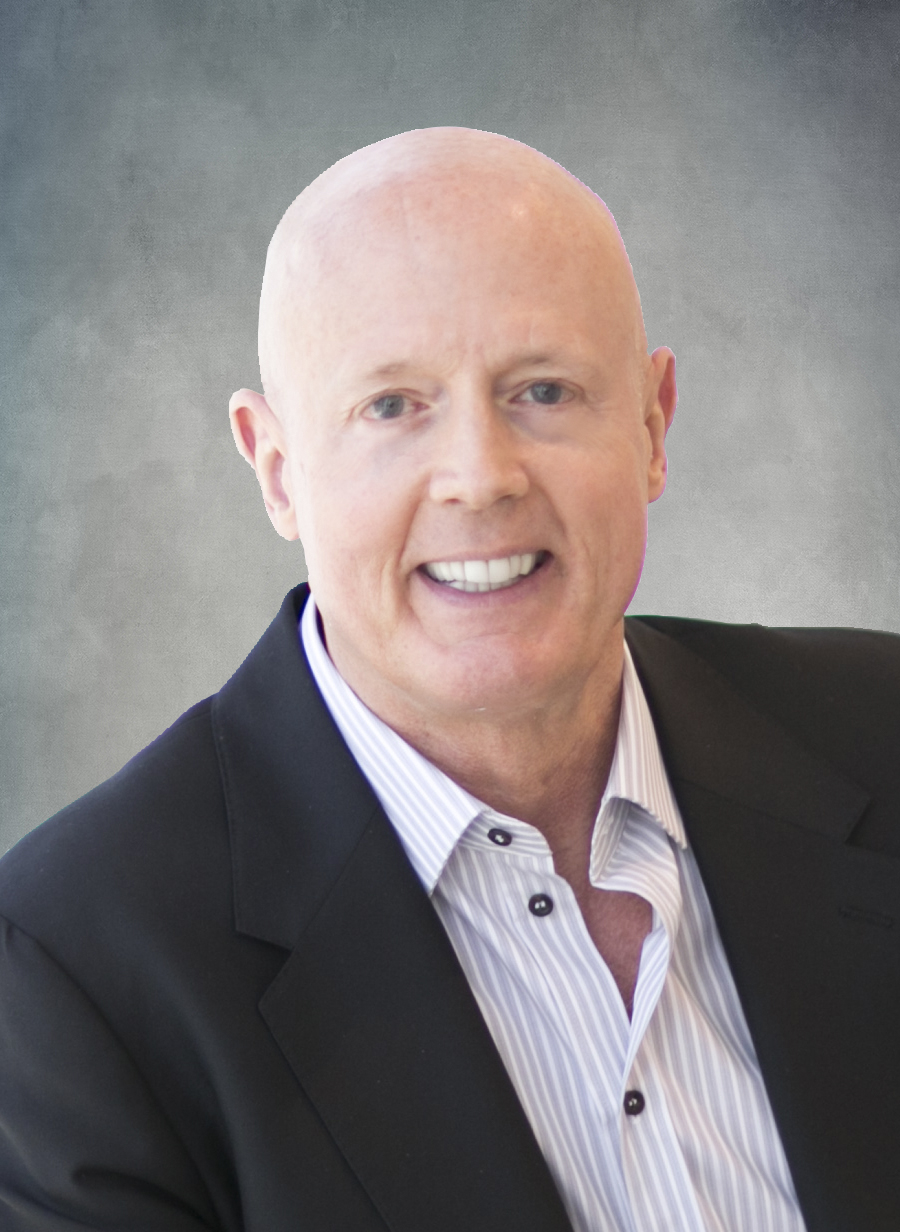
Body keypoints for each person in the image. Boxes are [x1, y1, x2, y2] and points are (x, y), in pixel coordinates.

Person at [1, 127, 898, 1232]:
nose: (480, 476)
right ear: (277, 469)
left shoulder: (882, 729)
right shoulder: (70, 977)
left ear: (653, 425)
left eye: (544, 390)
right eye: (393, 406)